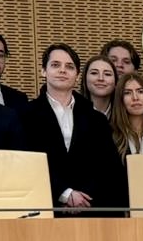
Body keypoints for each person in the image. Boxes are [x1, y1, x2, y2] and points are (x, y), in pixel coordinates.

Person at [21, 42, 123, 215]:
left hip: (91, 209)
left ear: (77, 75)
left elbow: (108, 168)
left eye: (69, 67)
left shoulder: (96, 119)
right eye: (55, 65)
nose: (62, 70)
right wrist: (65, 194)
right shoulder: (24, 115)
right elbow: (25, 164)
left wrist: (82, 198)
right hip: (45, 210)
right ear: (43, 71)